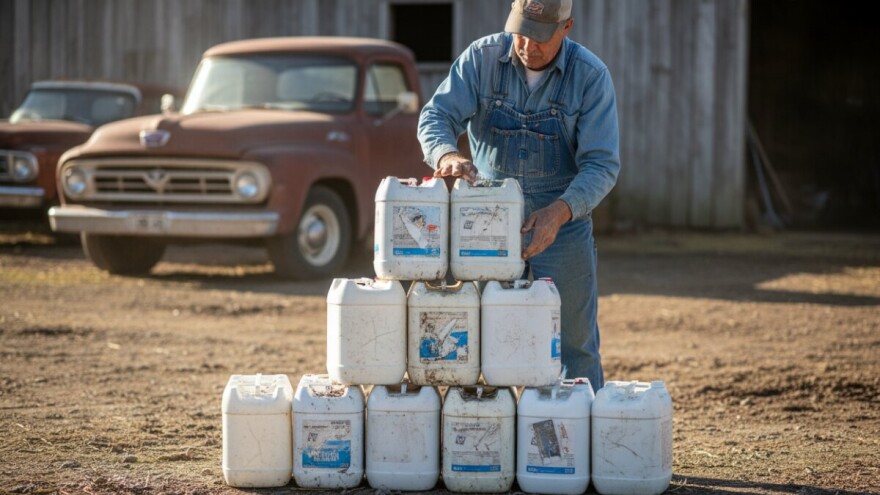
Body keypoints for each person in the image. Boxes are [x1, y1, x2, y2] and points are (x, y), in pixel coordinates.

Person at [417, 0, 620, 391]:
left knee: (575, 344)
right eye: (521, 31)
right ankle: (481, 431)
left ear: (566, 27)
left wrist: (558, 213)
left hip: (562, 225)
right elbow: (436, 116)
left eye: (540, 36)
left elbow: (601, 165)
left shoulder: (591, 77)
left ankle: (578, 443)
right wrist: (448, 154)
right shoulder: (481, 58)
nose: (527, 45)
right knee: (471, 335)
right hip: (484, 221)